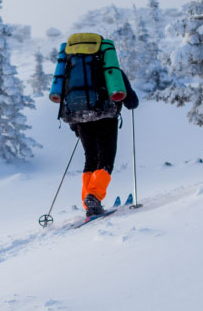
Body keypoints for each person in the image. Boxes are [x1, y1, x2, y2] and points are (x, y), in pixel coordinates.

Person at [49, 32, 139, 217]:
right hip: (105, 116)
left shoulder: (69, 69)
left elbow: (65, 95)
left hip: (80, 118)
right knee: (106, 157)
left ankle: (88, 201)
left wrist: (76, 125)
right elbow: (132, 102)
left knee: (90, 157)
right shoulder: (110, 70)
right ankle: (94, 196)